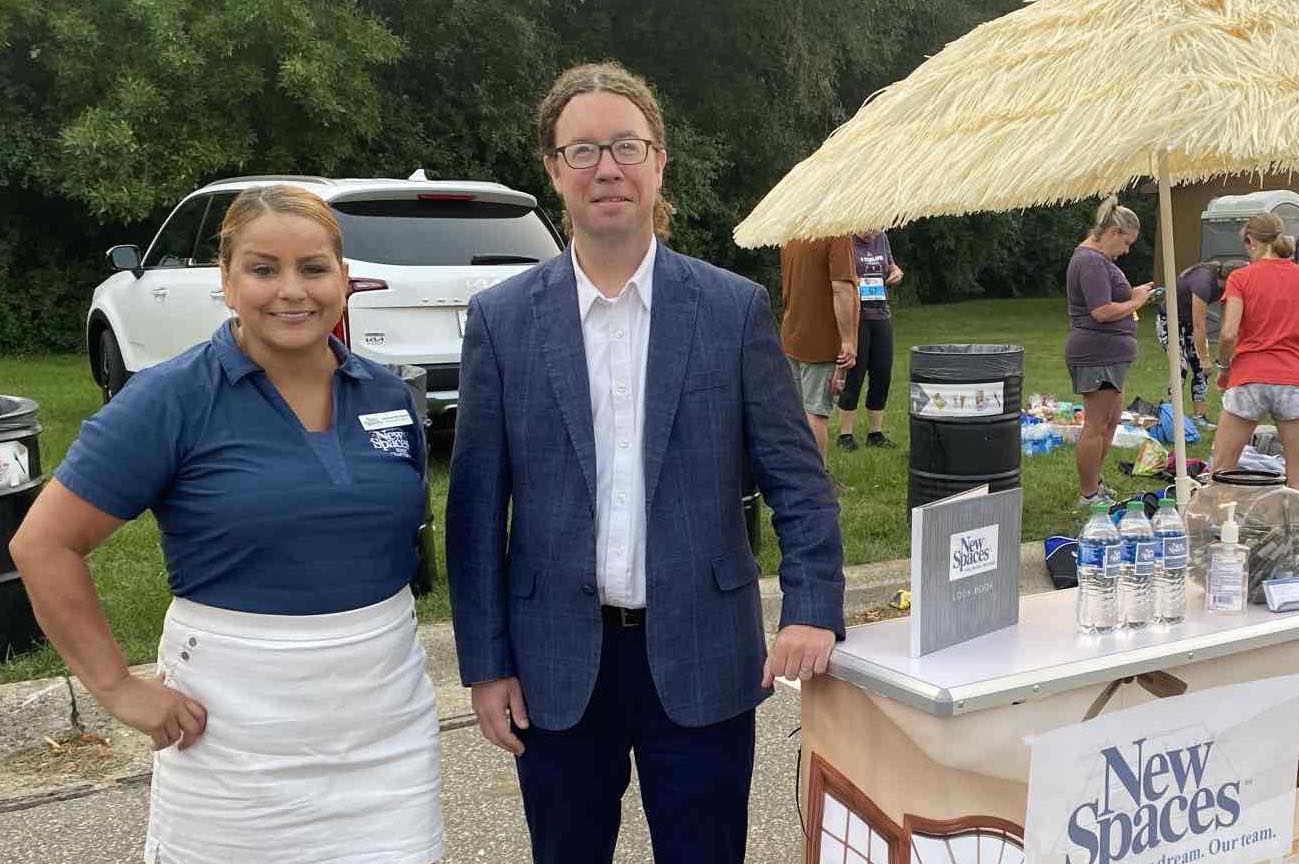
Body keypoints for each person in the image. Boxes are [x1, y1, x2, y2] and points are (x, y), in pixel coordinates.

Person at [445, 61, 845, 864]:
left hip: (703, 655)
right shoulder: (502, 321)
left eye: (626, 146)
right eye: (583, 150)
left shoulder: (730, 310)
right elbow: (475, 513)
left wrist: (810, 607)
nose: (607, 169)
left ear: (658, 161)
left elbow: (797, 482)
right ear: (553, 169)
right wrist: (485, 665)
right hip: (555, 666)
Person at [8, 186, 443, 864]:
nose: (291, 290)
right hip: (234, 729)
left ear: (343, 278)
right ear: (227, 280)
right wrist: (117, 688)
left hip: (386, 723)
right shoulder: (171, 397)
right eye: (264, 269)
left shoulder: (385, 394)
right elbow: (43, 543)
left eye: (313, 268)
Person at [1065, 195, 1153, 505]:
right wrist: (1136, 302)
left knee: (1110, 422)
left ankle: (1095, 485)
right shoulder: (1090, 261)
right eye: (1126, 243)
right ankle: (1088, 494)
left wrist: (1134, 293)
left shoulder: (1099, 261)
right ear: (1114, 232)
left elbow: (1110, 299)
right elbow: (1101, 311)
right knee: (1096, 425)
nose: (1126, 250)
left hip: (1111, 355)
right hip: (1096, 354)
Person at [1211, 213, 1299, 488]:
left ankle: (1219, 514)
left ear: (1251, 241)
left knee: (1222, 470)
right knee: (1296, 475)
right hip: (1292, 377)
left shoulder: (1240, 278)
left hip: (1248, 377)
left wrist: (1224, 368)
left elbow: (1228, 333)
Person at [779, 236, 858, 463]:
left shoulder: (792, 235)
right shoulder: (837, 236)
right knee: (815, 413)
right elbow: (842, 290)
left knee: (797, 414)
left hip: (792, 336)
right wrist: (848, 341)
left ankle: (798, 472)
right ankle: (817, 476)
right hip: (820, 342)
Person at [1155, 259, 1246, 430]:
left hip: (1189, 322)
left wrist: (1223, 353)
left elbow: (1226, 324)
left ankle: (1199, 417)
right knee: (1180, 365)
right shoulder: (1203, 283)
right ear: (1233, 278)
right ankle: (1171, 416)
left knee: (1201, 370)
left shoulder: (1226, 289)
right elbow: (1199, 325)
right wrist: (1204, 358)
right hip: (1170, 320)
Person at [836, 229, 903, 450]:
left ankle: (875, 433)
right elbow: (838, 278)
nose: (872, 235)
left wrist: (896, 272)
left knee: (882, 373)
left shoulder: (882, 238)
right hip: (857, 317)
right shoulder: (845, 241)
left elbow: (891, 266)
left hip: (881, 314)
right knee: (855, 373)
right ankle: (845, 435)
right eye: (868, 230)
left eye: (876, 230)